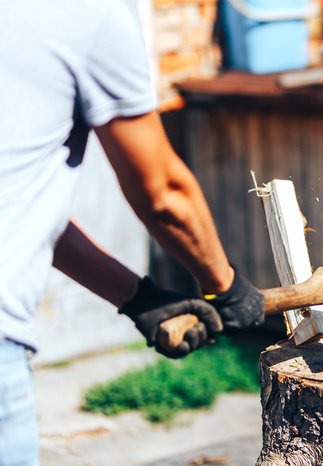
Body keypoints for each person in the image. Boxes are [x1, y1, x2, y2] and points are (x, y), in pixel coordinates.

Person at [0, 1, 264, 464]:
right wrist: (226, 287)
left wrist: (137, 298)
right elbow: (163, 193)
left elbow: (23, 211)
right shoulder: (89, 12)